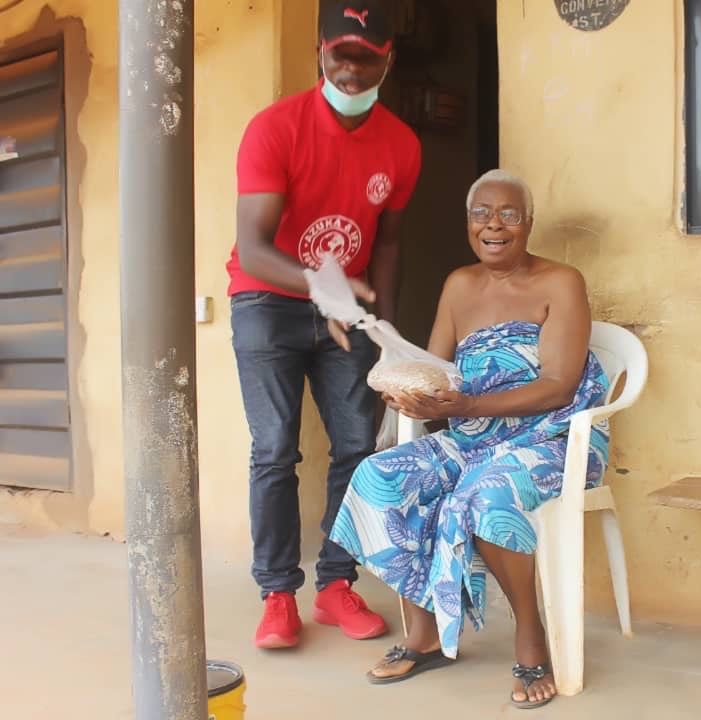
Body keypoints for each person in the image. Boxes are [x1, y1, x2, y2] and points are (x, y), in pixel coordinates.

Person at [328, 169, 610, 709]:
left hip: (555, 439)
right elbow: (438, 372)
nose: (493, 225)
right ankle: (423, 635)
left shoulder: (561, 282)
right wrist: (412, 393)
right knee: (380, 474)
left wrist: (465, 406)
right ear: (468, 223)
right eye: (481, 214)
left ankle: (531, 637)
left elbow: (558, 387)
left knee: (486, 494)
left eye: (508, 214)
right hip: (473, 434)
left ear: (528, 223)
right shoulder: (459, 285)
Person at [227, 0, 421, 649]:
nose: (350, 69)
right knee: (276, 448)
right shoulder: (275, 128)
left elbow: (388, 247)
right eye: (340, 53)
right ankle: (277, 593)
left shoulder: (401, 145)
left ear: (387, 58)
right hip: (268, 301)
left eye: (365, 57)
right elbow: (254, 248)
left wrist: (385, 335)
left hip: (348, 309)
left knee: (358, 446)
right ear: (319, 49)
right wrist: (325, 289)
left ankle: (336, 585)